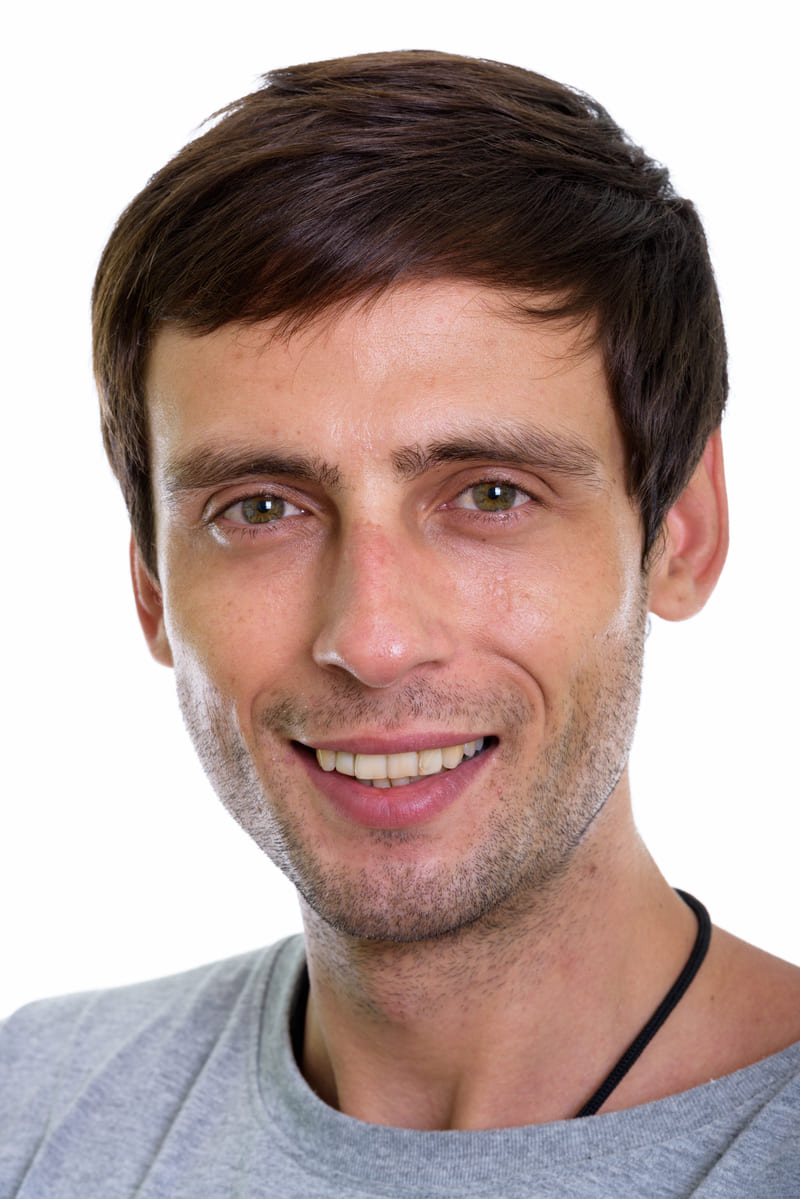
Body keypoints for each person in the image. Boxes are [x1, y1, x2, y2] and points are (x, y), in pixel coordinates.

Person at [2, 49, 798, 1198]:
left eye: (488, 494)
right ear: (148, 584)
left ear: (678, 530)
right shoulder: (33, 1105)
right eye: (261, 508)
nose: (370, 638)